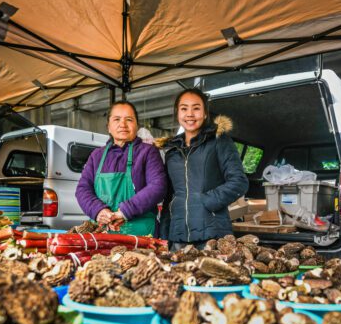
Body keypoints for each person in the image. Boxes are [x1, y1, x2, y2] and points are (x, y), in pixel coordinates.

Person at [159, 88, 248, 250]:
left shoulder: (219, 141)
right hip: (177, 237)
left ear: (205, 113)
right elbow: (169, 197)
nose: (190, 114)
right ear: (178, 113)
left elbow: (239, 182)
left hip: (212, 235)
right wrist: (164, 233)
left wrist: (206, 201)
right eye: (184, 108)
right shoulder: (171, 152)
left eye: (196, 108)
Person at [76, 101, 167, 236]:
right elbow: (83, 188)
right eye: (117, 119)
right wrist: (98, 211)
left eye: (129, 119)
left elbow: (158, 186)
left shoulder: (148, 152)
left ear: (137, 125)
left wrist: (125, 211)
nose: (123, 124)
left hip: (141, 233)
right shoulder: (97, 155)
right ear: (109, 126)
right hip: (102, 232)